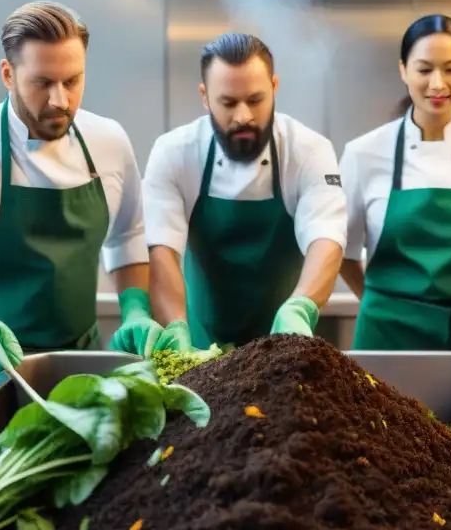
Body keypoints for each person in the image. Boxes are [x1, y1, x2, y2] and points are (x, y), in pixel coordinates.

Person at [0, 1, 168, 421]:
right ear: (7, 74)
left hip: (78, 374)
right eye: (42, 82)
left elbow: (128, 235)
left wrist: (135, 306)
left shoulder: (108, 141)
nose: (60, 100)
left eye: (73, 81)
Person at [142, 32, 347, 350]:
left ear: (274, 88)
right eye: (228, 102)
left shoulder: (309, 150)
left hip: (287, 351)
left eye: (255, 100)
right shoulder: (174, 152)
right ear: (205, 97)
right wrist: (176, 327)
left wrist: (300, 307)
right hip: (200, 348)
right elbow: (162, 251)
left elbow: (327, 240)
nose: (243, 117)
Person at [339, 14, 451, 350]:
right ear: (403, 70)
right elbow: (344, 252)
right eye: (424, 69)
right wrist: (380, 302)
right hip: (386, 334)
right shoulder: (363, 154)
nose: (438, 84)